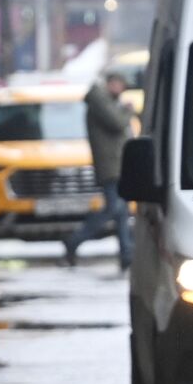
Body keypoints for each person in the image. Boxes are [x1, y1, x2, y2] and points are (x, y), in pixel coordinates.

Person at [62, 73, 134, 269]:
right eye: (120, 84)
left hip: (117, 165)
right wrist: (128, 112)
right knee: (115, 208)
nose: (122, 90)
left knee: (122, 213)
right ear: (112, 82)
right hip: (110, 165)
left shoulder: (105, 100)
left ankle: (127, 253)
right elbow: (117, 123)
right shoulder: (99, 100)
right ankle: (75, 240)